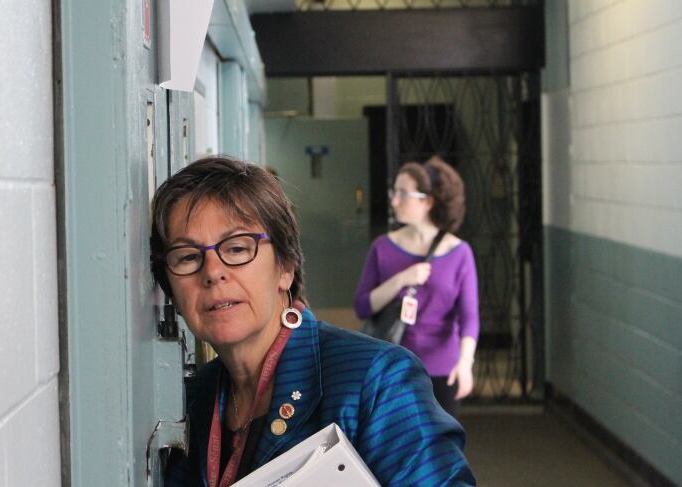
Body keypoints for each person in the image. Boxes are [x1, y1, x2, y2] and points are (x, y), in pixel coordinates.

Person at [151, 156, 475, 486]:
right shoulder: (192, 400)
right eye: (188, 257)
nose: (213, 273)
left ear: (286, 266)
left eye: (236, 249)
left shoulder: (376, 381)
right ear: (171, 291)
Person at [353, 156, 479, 418]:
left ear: (427, 201)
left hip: (443, 369)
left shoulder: (459, 253)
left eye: (402, 193)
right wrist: (401, 279)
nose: (394, 200)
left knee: (441, 452)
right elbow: (362, 306)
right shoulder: (383, 247)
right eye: (394, 191)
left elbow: (469, 317)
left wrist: (465, 363)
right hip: (393, 367)